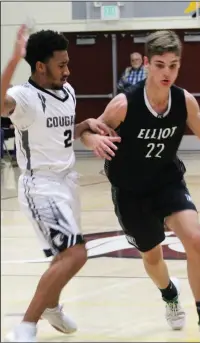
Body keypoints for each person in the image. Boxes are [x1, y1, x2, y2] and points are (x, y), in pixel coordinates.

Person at [80, 30, 200, 342]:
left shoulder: (184, 101)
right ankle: (170, 295)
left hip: (166, 180)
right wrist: (94, 139)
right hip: (130, 190)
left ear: (179, 66)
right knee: (152, 257)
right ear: (147, 64)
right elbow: (89, 129)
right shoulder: (123, 104)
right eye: (159, 65)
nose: (166, 72)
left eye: (172, 65)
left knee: (195, 239)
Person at [1, 25, 119, 342]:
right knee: (75, 254)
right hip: (40, 186)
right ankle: (25, 326)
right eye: (61, 64)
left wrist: (86, 126)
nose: (67, 70)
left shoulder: (67, 92)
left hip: (68, 182)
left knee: (62, 255)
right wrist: (13, 59)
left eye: (67, 63)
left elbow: (61, 132)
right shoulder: (23, 98)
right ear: (40, 66)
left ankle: (51, 306)